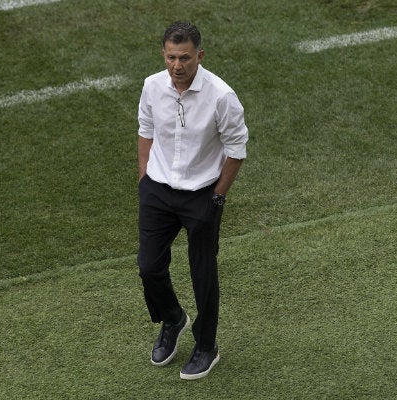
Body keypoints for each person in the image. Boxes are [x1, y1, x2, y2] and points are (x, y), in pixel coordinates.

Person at [137, 21, 248, 380]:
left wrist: (217, 197)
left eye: (184, 58)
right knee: (148, 266)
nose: (176, 65)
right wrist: (144, 180)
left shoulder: (221, 96)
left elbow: (237, 148)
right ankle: (172, 318)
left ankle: (206, 346)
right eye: (171, 57)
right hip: (157, 190)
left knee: (203, 274)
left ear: (199, 56)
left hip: (202, 195)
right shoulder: (152, 86)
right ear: (163, 54)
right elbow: (145, 131)